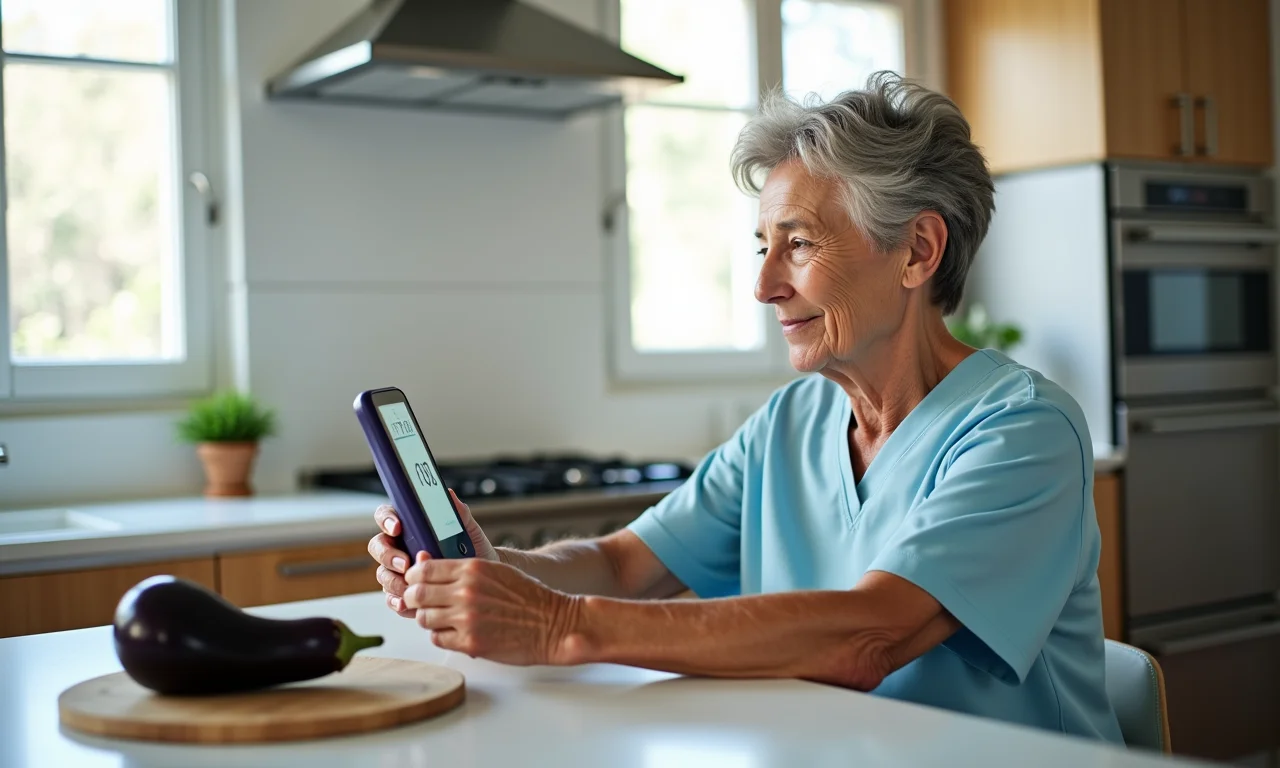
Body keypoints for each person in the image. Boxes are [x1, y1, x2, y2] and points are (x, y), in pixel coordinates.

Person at [367, 72, 1123, 743]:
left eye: (797, 246)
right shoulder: (792, 424)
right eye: (761, 246)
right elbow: (625, 565)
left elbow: (869, 637)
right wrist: (496, 571)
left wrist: (559, 627)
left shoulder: (1022, 431)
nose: (764, 286)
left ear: (918, 251)